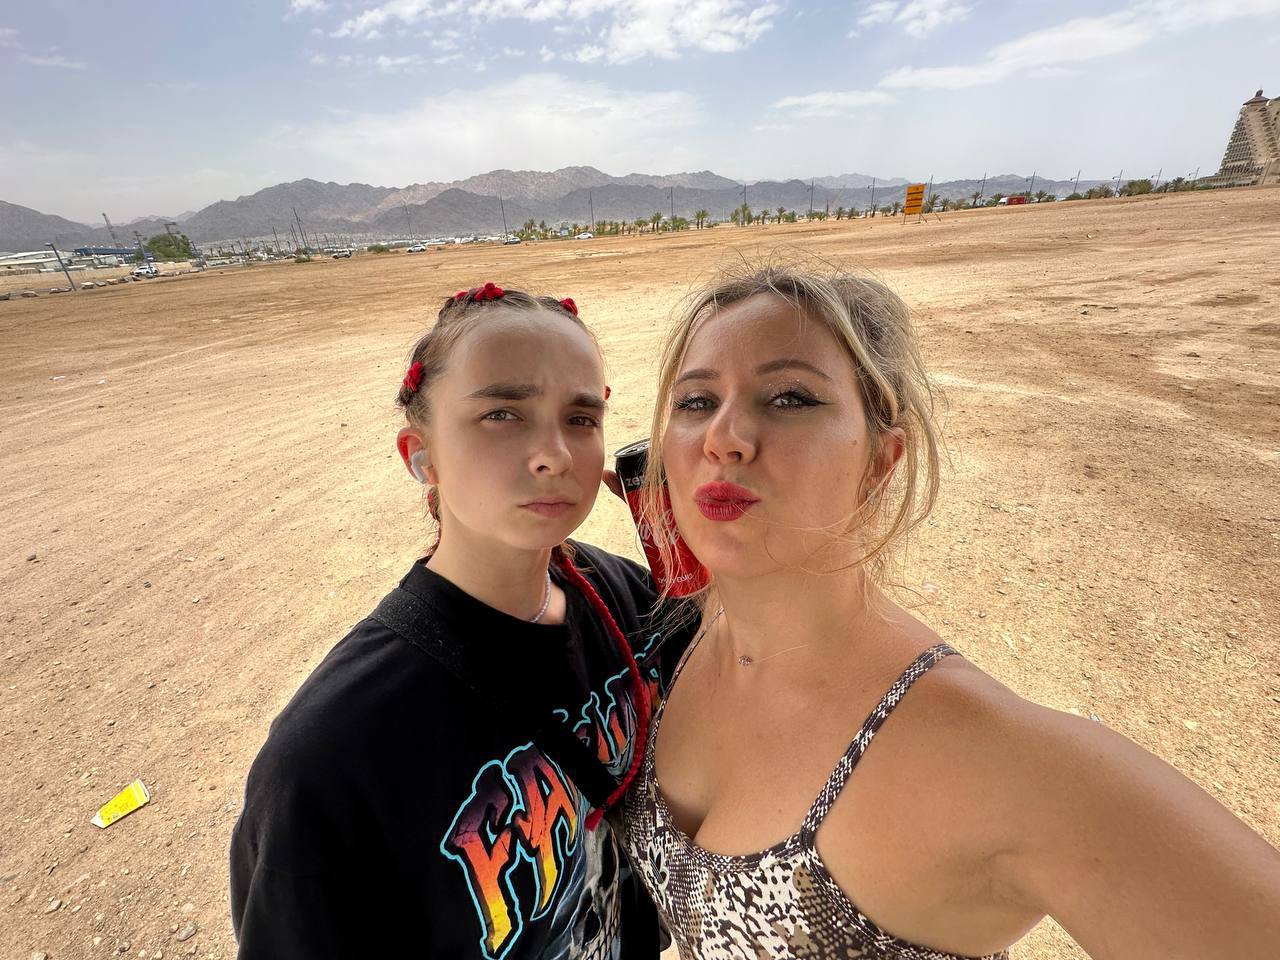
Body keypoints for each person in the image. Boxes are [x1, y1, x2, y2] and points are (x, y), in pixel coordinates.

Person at [618, 263, 1280, 959]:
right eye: (696, 402)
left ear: (881, 461)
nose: (722, 437)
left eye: (790, 397)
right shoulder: (688, 636)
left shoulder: (999, 761)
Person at [230, 282, 684, 960]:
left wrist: (714, 562)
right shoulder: (330, 756)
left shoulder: (627, 599)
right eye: (502, 414)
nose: (556, 454)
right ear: (421, 456)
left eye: (581, 418)